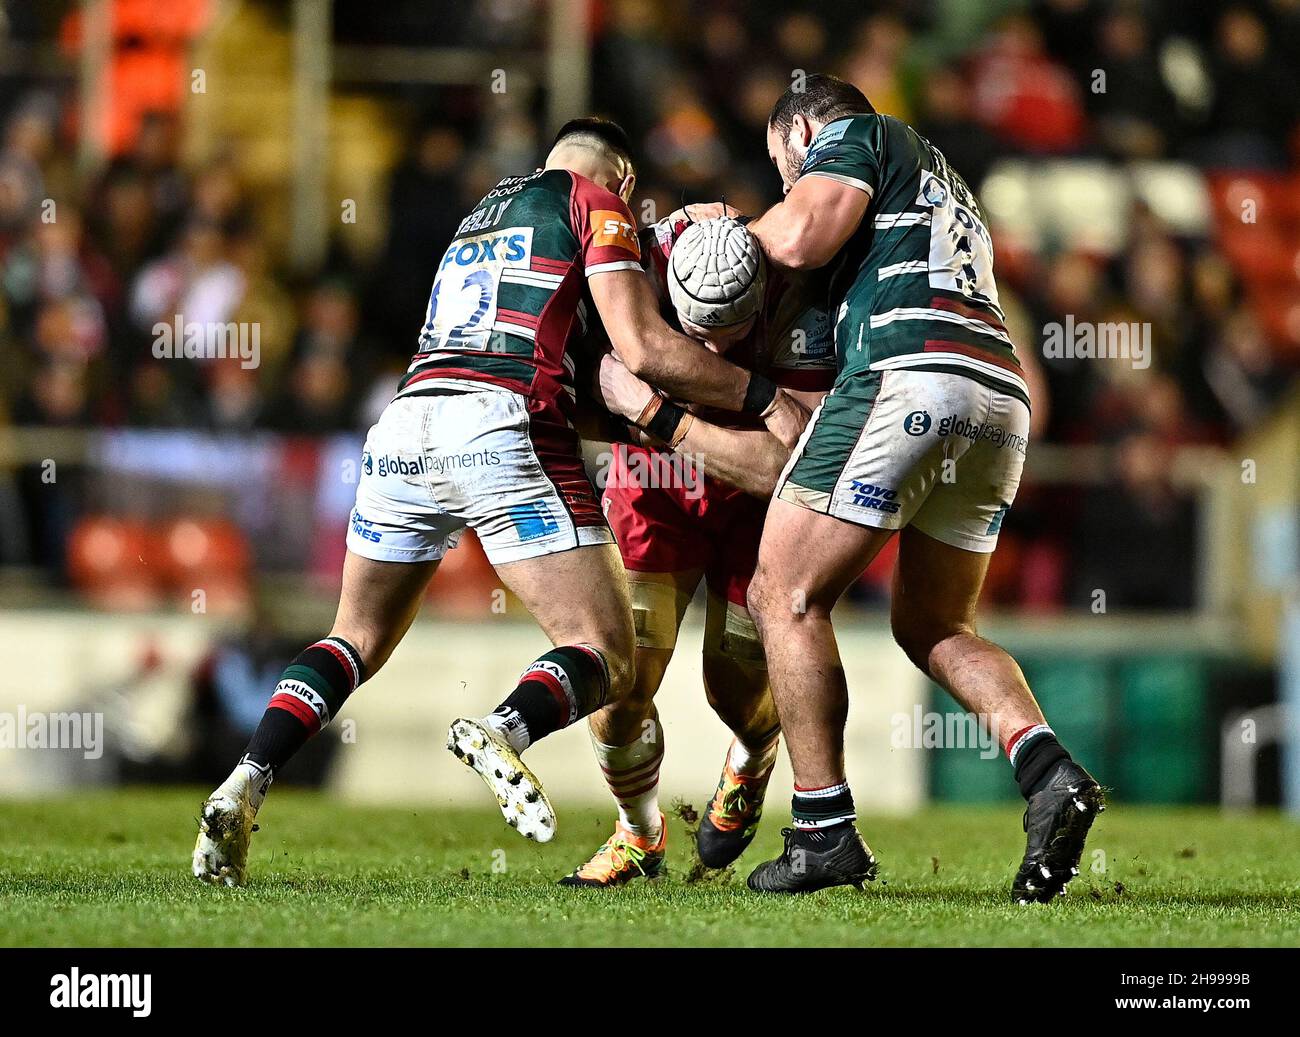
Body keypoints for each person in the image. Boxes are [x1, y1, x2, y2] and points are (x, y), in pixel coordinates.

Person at [192, 118, 807, 886]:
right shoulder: (594, 201)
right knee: (607, 651)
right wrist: (758, 394)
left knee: (352, 636)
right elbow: (642, 346)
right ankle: (505, 727)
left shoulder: (480, 216)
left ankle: (246, 777)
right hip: (500, 420)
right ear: (619, 179)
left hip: (403, 424)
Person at [742, 75, 1103, 901]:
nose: (785, 179)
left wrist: (726, 231)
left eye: (780, 162)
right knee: (935, 622)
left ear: (801, 128)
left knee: (784, 592)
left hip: (912, 372)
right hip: (998, 396)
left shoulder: (862, 135)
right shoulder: (947, 183)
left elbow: (799, 235)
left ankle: (823, 829)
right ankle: (1049, 771)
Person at [559, 212, 835, 886]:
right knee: (618, 684)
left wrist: (657, 414)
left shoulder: (805, 303)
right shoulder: (633, 268)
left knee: (733, 690)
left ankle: (753, 751)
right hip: (654, 494)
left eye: (728, 332)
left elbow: (779, 464)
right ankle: (636, 834)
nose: (708, 353)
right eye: (695, 331)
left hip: (757, 509)